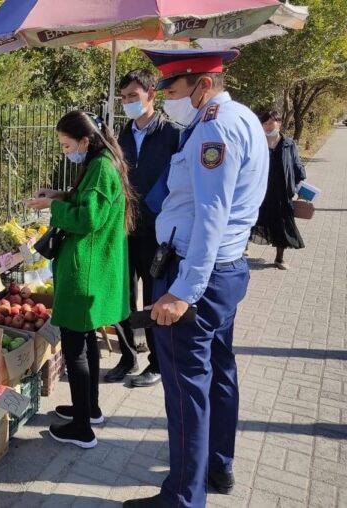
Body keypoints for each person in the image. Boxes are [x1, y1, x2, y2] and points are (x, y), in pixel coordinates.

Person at [123, 49, 268, 508]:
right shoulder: (241, 117)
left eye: (172, 89)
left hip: (194, 274)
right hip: (224, 271)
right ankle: (217, 467)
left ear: (202, 85)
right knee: (219, 372)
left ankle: (183, 499)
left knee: (186, 390)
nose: (167, 99)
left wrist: (184, 291)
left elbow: (211, 213)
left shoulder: (214, 127)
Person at [26, 111, 134, 449]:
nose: (65, 152)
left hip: (85, 269)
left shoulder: (101, 167)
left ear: (85, 141)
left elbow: (88, 217)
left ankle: (82, 429)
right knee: (87, 341)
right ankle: (90, 408)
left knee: (75, 347)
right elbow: (87, 201)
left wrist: (51, 208)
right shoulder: (102, 161)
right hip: (91, 265)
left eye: (67, 145)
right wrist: (57, 195)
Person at [106, 69, 181, 387]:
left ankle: (156, 361)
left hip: (157, 232)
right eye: (123, 98)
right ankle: (127, 356)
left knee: (153, 297)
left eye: (133, 97)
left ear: (152, 94)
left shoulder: (173, 134)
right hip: (123, 228)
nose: (127, 103)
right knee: (121, 296)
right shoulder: (119, 135)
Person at [249, 110, 306, 269]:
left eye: (271, 123)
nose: (267, 126)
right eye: (265, 123)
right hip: (258, 191)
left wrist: (301, 192)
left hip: (281, 192)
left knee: (282, 225)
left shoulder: (289, 144)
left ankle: (279, 259)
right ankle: (241, 249)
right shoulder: (256, 142)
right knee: (249, 220)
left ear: (279, 124)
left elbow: (297, 167)